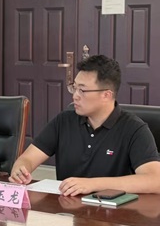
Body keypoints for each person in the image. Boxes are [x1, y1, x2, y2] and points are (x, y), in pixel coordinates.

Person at [10, 55, 160, 195]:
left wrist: (93, 184)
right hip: (67, 209)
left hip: (112, 210)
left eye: (82, 90)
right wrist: (21, 169)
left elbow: (155, 180)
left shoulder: (134, 129)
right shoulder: (64, 121)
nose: (75, 96)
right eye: (74, 88)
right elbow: (28, 158)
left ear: (106, 95)